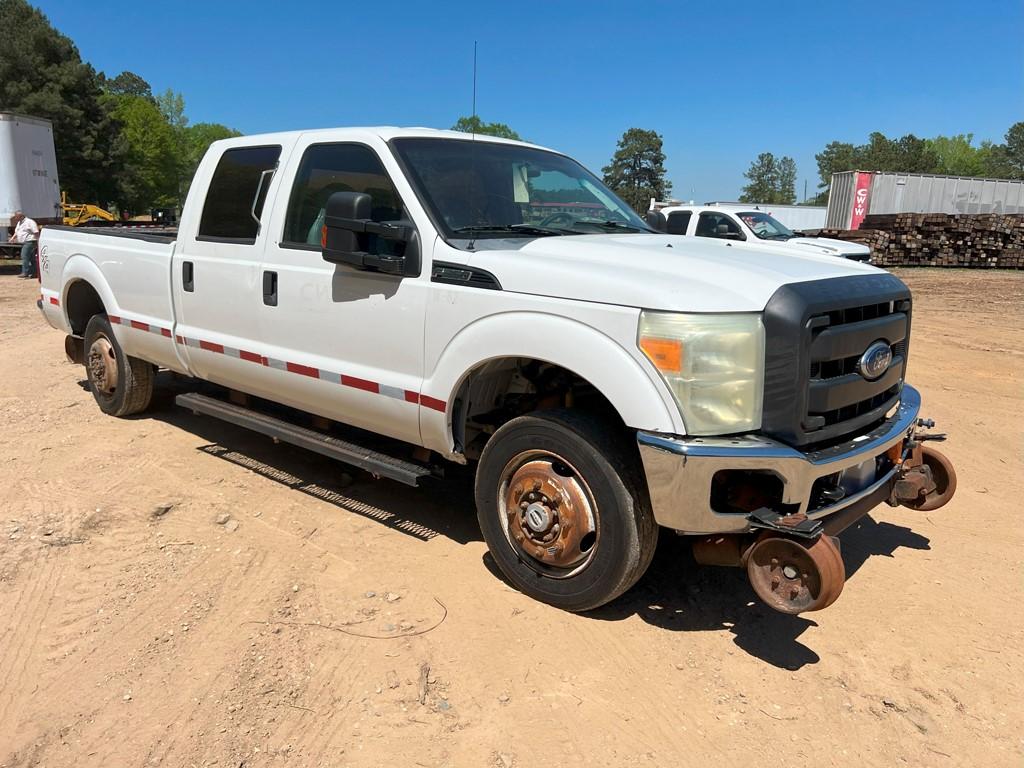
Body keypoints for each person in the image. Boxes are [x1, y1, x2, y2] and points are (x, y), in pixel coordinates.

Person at [9, 210, 39, 278]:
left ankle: (25, 272)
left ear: (21, 216)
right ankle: (35, 273)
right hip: (25, 242)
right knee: (32, 258)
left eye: (16, 216)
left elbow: (36, 231)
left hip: (30, 241)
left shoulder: (30, 222)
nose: (15, 218)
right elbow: (17, 231)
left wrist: (38, 241)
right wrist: (12, 238)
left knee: (24, 256)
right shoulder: (19, 223)